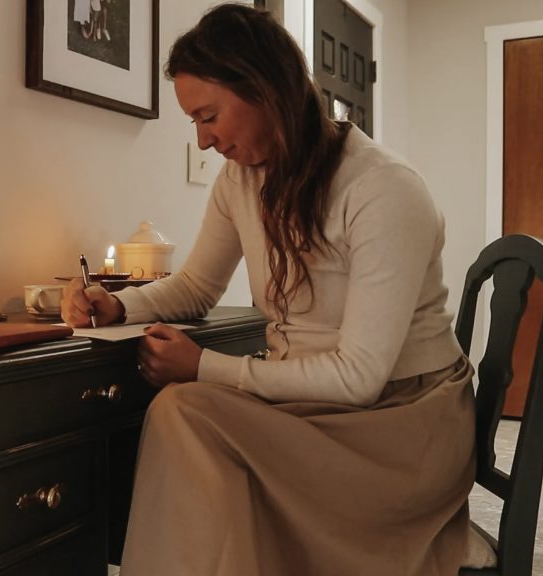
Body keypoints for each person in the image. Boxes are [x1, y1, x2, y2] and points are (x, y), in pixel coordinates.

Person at [61, 4, 475, 575]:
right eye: (194, 124)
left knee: (184, 412)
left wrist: (205, 366)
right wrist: (117, 305)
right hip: (312, 410)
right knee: (186, 422)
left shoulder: (382, 189)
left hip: (399, 425)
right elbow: (197, 287)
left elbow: (358, 378)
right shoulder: (242, 181)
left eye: (209, 116)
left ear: (263, 88)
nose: (204, 141)